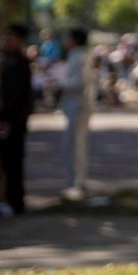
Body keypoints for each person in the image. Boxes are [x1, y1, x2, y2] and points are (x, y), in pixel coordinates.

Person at [0, 23, 33, 217]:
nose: (6, 40)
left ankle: (15, 201)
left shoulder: (21, 63)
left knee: (12, 161)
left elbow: (20, 97)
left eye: (10, 37)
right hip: (4, 119)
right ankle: (7, 198)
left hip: (13, 121)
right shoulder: (7, 60)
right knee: (3, 161)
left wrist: (10, 120)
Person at [59, 28, 96, 201]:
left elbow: (79, 82)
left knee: (74, 144)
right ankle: (76, 181)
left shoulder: (79, 56)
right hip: (77, 105)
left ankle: (76, 182)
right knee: (75, 144)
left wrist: (59, 83)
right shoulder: (79, 55)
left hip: (78, 105)